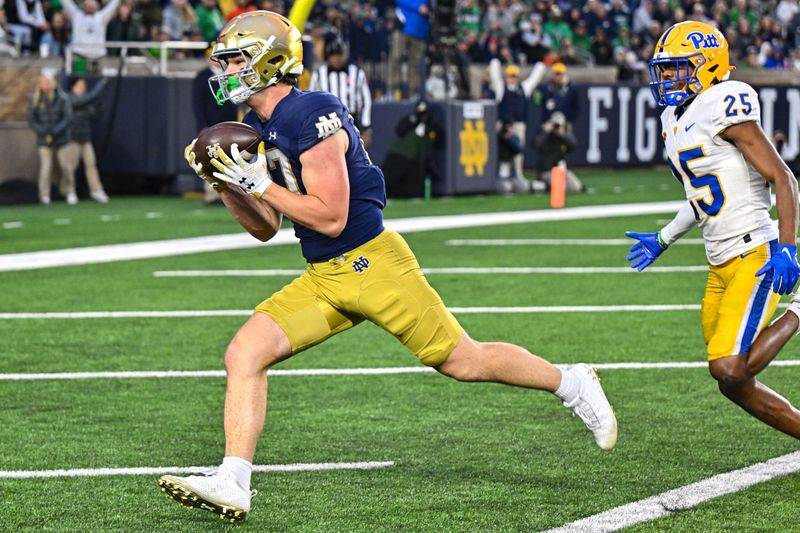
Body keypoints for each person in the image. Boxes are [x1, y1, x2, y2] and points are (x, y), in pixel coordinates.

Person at [157, 11, 617, 523]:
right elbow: (266, 226)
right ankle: (234, 480)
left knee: (463, 361)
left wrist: (259, 184)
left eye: (236, 59)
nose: (225, 71)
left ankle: (572, 382)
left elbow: (331, 217)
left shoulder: (313, 112)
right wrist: (227, 185)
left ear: (270, 60)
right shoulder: (264, 128)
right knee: (244, 352)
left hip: (372, 263)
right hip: (325, 276)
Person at [626, 21, 800, 440]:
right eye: (664, 70)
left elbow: (783, 177)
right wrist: (665, 237)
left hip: (755, 252)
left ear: (707, 66)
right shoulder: (674, 118)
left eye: (676, 68)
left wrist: (789, 248)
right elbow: (704, 197)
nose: (667, 78)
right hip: (719, 261)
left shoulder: (723, 101)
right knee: (732, 382)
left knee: (727, 365)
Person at [489, 58, 546, 193]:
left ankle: (518, 175)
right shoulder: (501, 88)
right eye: (509, 76)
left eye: (514, 76)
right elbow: (494, 75)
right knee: (503, 152)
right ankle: (502, 175)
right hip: (504, 126)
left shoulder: (523, 88)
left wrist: (541, 64)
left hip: (519, 124)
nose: (511, 79)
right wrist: (495, 62)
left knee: (518, 152)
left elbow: (535, 78)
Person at [192, 47, 239, 204]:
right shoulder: (202, 77)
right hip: (210, 124)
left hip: (229, 123)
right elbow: (197, 104)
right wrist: (202, 125)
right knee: (210, 157)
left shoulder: (228, 74)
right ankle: (212, 194)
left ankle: (231, 194)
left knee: (230, 157)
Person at [309, 39, 372, 147]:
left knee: (352, 157)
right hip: (327, 121)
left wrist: (366, 127)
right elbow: (312, 100)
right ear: (329, 57)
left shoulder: (356, 72)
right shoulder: (319, 74)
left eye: (339, 55)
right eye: (334, 55)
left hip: (351, 120)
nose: (337, 59)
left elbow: (365, 100)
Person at [27, 70, 76, 205]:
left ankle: (69, 191)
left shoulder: (63, 98)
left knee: (65, 166)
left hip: (61, 139)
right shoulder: (35, 99)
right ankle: (44, 195)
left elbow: (68, 118)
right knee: (46, 168)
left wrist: (55, 131)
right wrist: (45, 132)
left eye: (48, 82)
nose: (46, 84)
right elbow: (32, 120)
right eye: (43, 82)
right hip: (44, 139)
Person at [382, 99, 442, 198]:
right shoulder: (411, 120)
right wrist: (414, 120)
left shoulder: (432, 126)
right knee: (388, 184)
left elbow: (440, 138)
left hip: (415, 161)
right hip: (399, 156)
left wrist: (431, 124)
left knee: (411, 192)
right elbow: (399, 130)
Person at [67, 77, 110, 203]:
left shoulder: (86, 103)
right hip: (72, 138)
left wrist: (101, 108)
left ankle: (96, 190)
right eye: (80, 85)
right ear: (73, 86)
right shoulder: (70, 98)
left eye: (84, 85)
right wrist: (102, 84)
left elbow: (93, 116)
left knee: (91, 165)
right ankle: (70, 192)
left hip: (85, 138)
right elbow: (89, 97)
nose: (83, 87)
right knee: (71, 166)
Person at [60, 0, 123, 71]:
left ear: (95, 6)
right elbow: (66, 3)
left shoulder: (101, 17)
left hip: (99, 56)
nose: (89, 6)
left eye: (91, 4)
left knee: (101, 80)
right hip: (80, 56)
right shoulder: (76, 15)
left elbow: (113, 5)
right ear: (83, 5)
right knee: (80, 79)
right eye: (87, 4)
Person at [532, 111, 585, 193]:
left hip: (562, 170)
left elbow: (574, 146)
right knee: (561, 187)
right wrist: (545, 132)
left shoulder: (564, 136)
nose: (556, 127)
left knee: (576, 187)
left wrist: (564, 135)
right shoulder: (545, 135)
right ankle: (543, 185)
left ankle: (545, 186)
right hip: (547, 171)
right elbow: (535, 144)